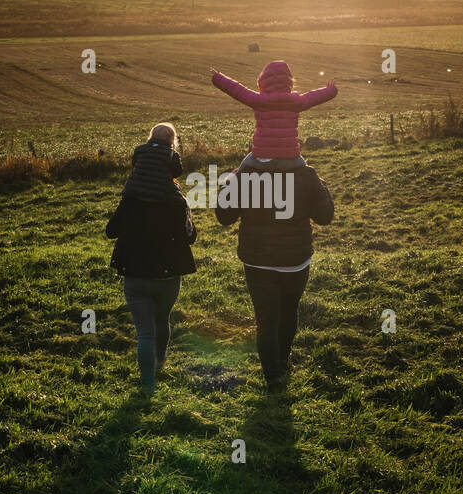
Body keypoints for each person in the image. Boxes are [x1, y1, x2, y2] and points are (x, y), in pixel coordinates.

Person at [215, 153, 334, 393]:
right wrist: (321, 187)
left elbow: (224, 216)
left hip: (258, 261)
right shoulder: (307, 174)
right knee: (289, 310)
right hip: (295, 260)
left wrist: (226, 186)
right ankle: (281, 361)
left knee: (266, 317)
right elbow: (325, 216)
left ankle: (273, 377)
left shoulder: (245, 175)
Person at [106, 122, 196, 395]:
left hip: (135, 274)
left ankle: (148, 384)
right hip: (168, 276)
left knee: (144, 332)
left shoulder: (130, 197)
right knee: (162, 320)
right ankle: (160, 362)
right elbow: (190, 236)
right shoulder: (177, 201)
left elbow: (111, 231)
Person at [210, 59, 337, 164]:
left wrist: (218, 77)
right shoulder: (296, 101)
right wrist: (331, 89)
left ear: (262, 81)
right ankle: (323, 193)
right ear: (289, 82)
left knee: (239, 173)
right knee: (313, 177)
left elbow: (237, 90)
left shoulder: (258, 100)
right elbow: (315, 96)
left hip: (262, 155)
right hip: (290, 156)